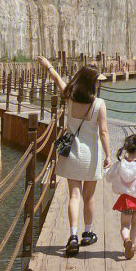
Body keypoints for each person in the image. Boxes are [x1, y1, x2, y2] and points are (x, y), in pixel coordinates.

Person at [37, 56, 112, 256]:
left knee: (74, 195)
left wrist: (48, 66)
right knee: (89, 197)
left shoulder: (69, 96)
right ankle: (88, 233)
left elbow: (57, 79)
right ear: (93, 83)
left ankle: (72, 236)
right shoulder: (99, 104)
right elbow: (103, 133)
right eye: (97, 81)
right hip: (91, 157)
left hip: (72, 154)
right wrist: (108, 155)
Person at [105, 132, 136, 259]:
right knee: (135, 223)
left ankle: (126, 240)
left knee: (125, 225)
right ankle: (132, 245)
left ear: (126, 148)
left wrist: (109, 170)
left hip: (126, 200)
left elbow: (108, 178)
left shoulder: (120, 164)